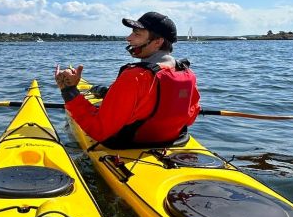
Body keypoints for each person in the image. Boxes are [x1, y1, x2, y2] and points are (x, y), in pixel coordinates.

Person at [54, 11, 201, 147]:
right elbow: (190, 118)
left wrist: (69, 90)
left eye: (137, 34)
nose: (128, 38)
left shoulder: (135, 76)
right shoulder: (188, 73)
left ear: (158, 42)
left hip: (129, 144)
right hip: (174, 141)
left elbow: (98, 130)